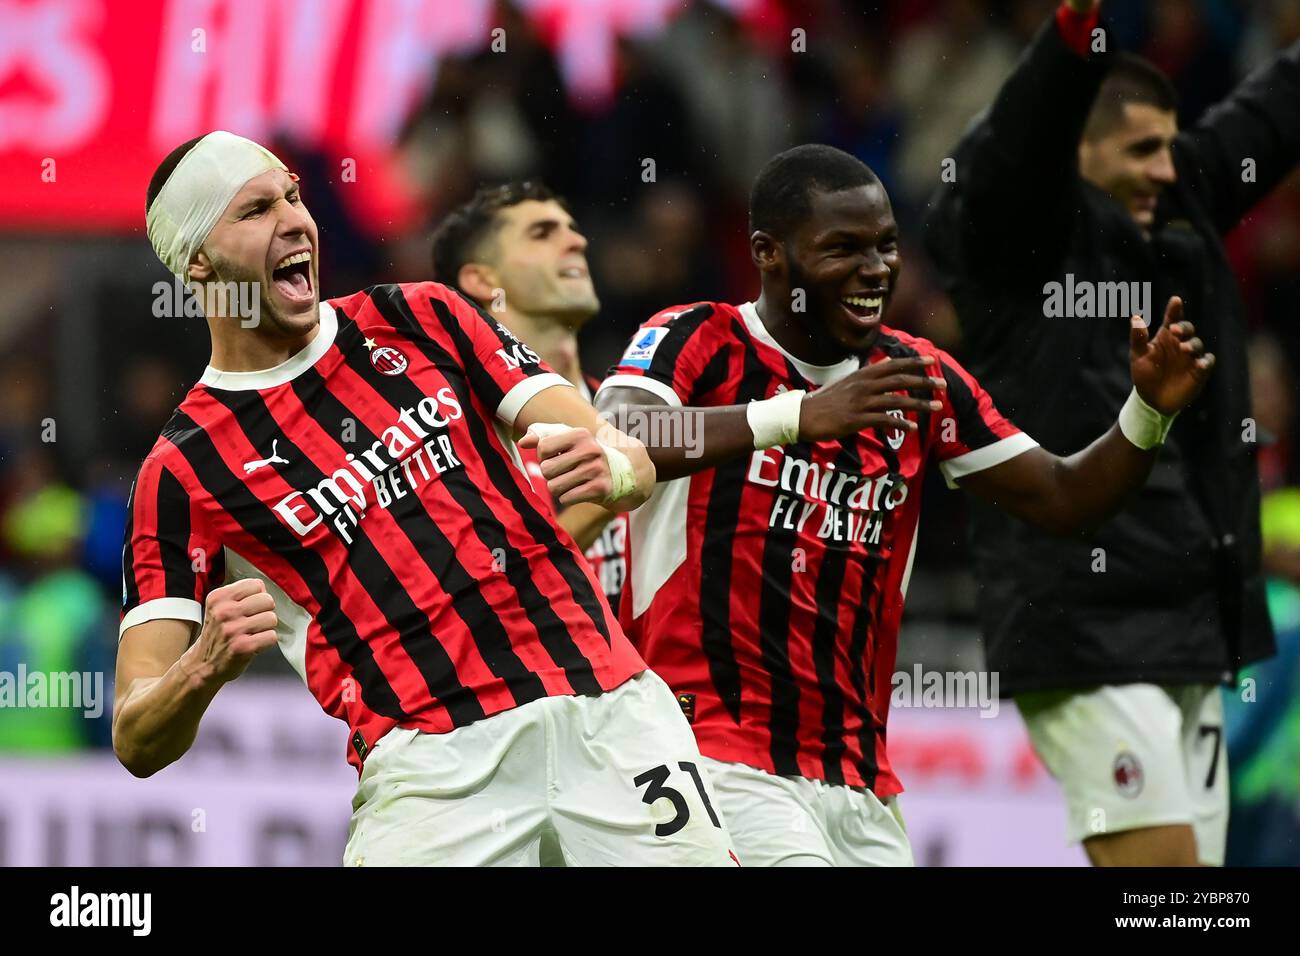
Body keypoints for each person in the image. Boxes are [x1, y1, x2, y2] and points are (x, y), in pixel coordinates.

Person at [113, 131, 738, 867]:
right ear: (199, 263)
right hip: (433, 773)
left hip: (607, 709)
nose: (292, 219)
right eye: (254, 210)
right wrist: (202, 666)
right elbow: (134, 736)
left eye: (293, 195)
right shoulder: (183, 470)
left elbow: (604, 449)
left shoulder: (422, 316)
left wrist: (617, 465)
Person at [595, 143, 1215, 867]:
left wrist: (1147, 412)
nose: (875, 269)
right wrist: (797, 416)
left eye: (887, 245)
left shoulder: (917, 377)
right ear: (769, 254)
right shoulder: (700, 336)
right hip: (714, 755)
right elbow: (622, 433)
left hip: (859, 780)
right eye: (843, 249)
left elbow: (1065, 496)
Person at [924, 0, 1299, 865]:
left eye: (1172, 146)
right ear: (1073, 152)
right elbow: (1007, 155)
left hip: (1195, 622)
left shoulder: (1178, 212)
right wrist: (1066, 44)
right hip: (1082, 627)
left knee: (1193, 893)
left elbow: (1276, 109)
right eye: (1139, 149)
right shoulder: (1017, 241)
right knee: (1164, 883)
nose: (1166, 168)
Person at [431, 182, 626, 607]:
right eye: (542, 233)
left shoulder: (627, 408)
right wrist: (629, 476)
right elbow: (485, 595)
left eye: (572, 229)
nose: (577, 241)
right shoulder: (453, 433)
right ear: (482, 278)